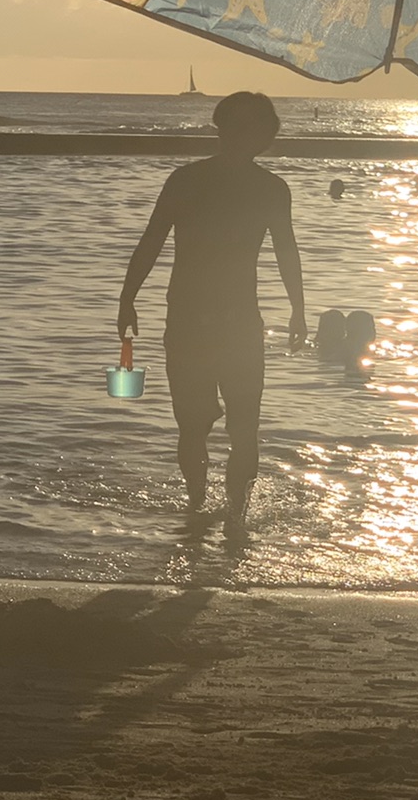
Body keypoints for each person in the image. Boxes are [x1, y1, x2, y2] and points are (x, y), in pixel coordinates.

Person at [118, 91, 305, 536]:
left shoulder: (269, 189)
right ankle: (201, 506)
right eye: (236, 127)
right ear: (220, 128)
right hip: (191, 322)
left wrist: (299, 309)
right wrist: (127, 298)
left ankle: (230, 515)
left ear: (266, 135)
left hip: (235, 322)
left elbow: (286, 252)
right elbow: (151, 241)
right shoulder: (187, 180)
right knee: (195, 424)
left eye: (253, 128)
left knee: (242, 425)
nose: (243, 136)